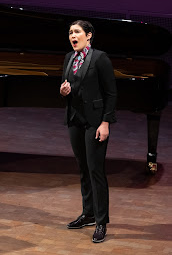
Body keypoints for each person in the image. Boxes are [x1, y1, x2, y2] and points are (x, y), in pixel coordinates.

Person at [59, 20, 117, 243]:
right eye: (70, 32)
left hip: (95, 122)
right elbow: (66, 86)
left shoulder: (100, 58)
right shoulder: (69, 57)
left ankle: (101, 222)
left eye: (77, 32)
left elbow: (111, 93)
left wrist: (106, 123)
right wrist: (64, 91)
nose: (72, 36)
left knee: (96, 171)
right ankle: (88, 214)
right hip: (75, 119)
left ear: (89, 35)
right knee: (83, 168)